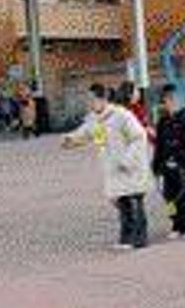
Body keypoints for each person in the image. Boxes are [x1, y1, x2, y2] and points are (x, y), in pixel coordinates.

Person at [61, 83, 150, 249]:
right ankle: (126, 239)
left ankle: (139, 239)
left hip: (130, 167)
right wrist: (70, 139)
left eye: (92, 99)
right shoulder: (94, 119)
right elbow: (85, 133)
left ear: (102, 99)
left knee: (133, 202)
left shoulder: (122, 115)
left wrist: (128, 160)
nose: (89, 103)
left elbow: (139, 136)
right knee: (123, 204)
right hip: (113, 167)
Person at [152, 84, 185, 238]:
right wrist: (156, 166)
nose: (167, 102)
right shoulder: (163, 121)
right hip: (167, 167)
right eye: (165, 99)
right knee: (169, 197)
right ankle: (177, 224)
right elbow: (159, 145)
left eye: (170, 99)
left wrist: (180, 156)